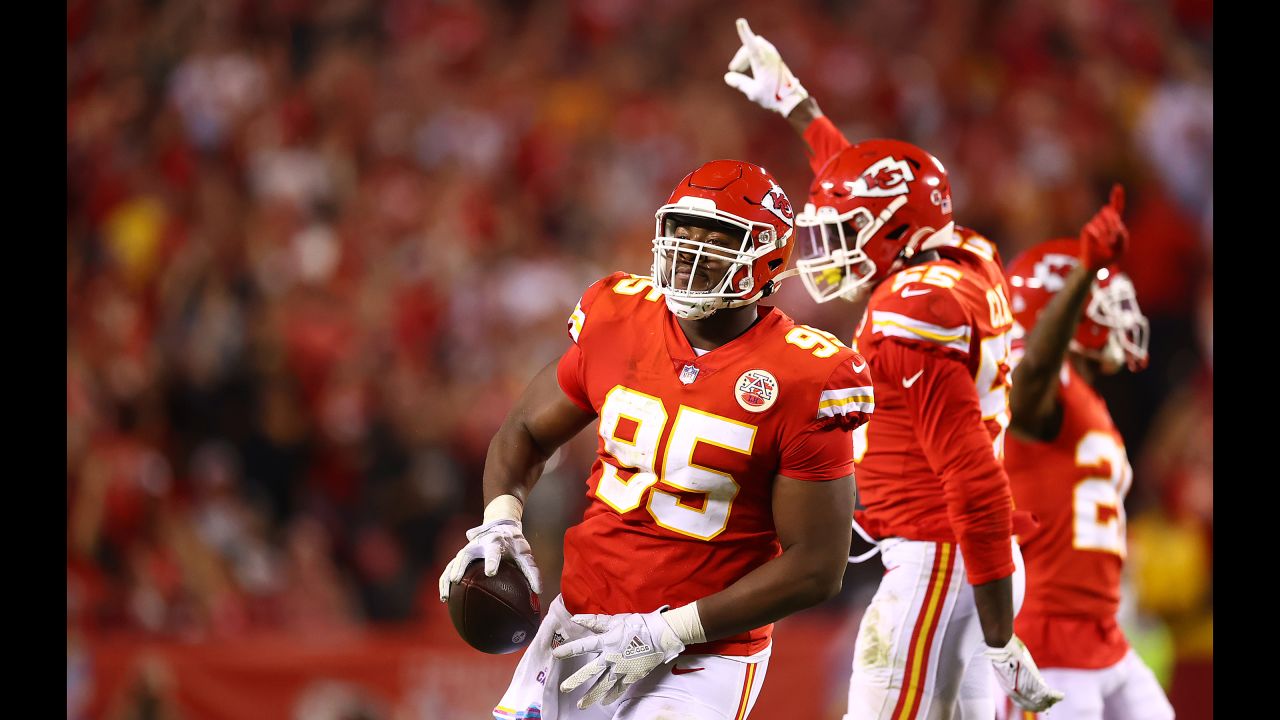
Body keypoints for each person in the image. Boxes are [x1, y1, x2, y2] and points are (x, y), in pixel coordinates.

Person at [438, 159, 874, 719]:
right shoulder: (619, 315)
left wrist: (669, 630)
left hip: (702, 656)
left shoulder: (809, 375)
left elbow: (817, 565)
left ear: (766, 255)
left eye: (716, 239)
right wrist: (500, 519)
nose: (690, 251)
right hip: (579, 625)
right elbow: (523, 429)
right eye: (682, 232)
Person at [724, 19, 1062, 718]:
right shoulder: (962, 253)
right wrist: (796, 103)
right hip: (966, 560)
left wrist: (1002, 639)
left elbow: (972, 476)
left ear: (896, 232)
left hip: (942, 557)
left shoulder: (916, 309)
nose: (830, 252)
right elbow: (868, 183)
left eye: (848, 234)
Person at [1000, 190, 1175, 720]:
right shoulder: (1035, 385)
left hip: (1105, 633)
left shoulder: (1085, 395)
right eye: (1093, 299)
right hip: (1048, 638)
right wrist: (1082, 274)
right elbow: (1028, 387)